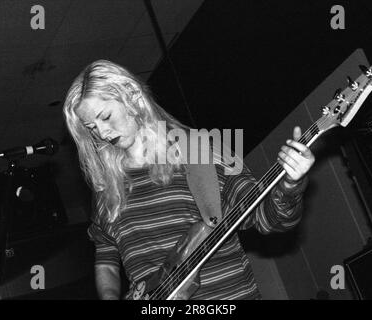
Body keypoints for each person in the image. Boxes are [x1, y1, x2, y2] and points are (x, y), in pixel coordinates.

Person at [63, 59, 315, 300]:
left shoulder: (198, 150)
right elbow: (105, 252)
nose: (103, 133)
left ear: (132, 95)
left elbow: (268, 220)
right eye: (92, 128)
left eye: (105, 117)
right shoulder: (107, 187)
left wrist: (290, 185)